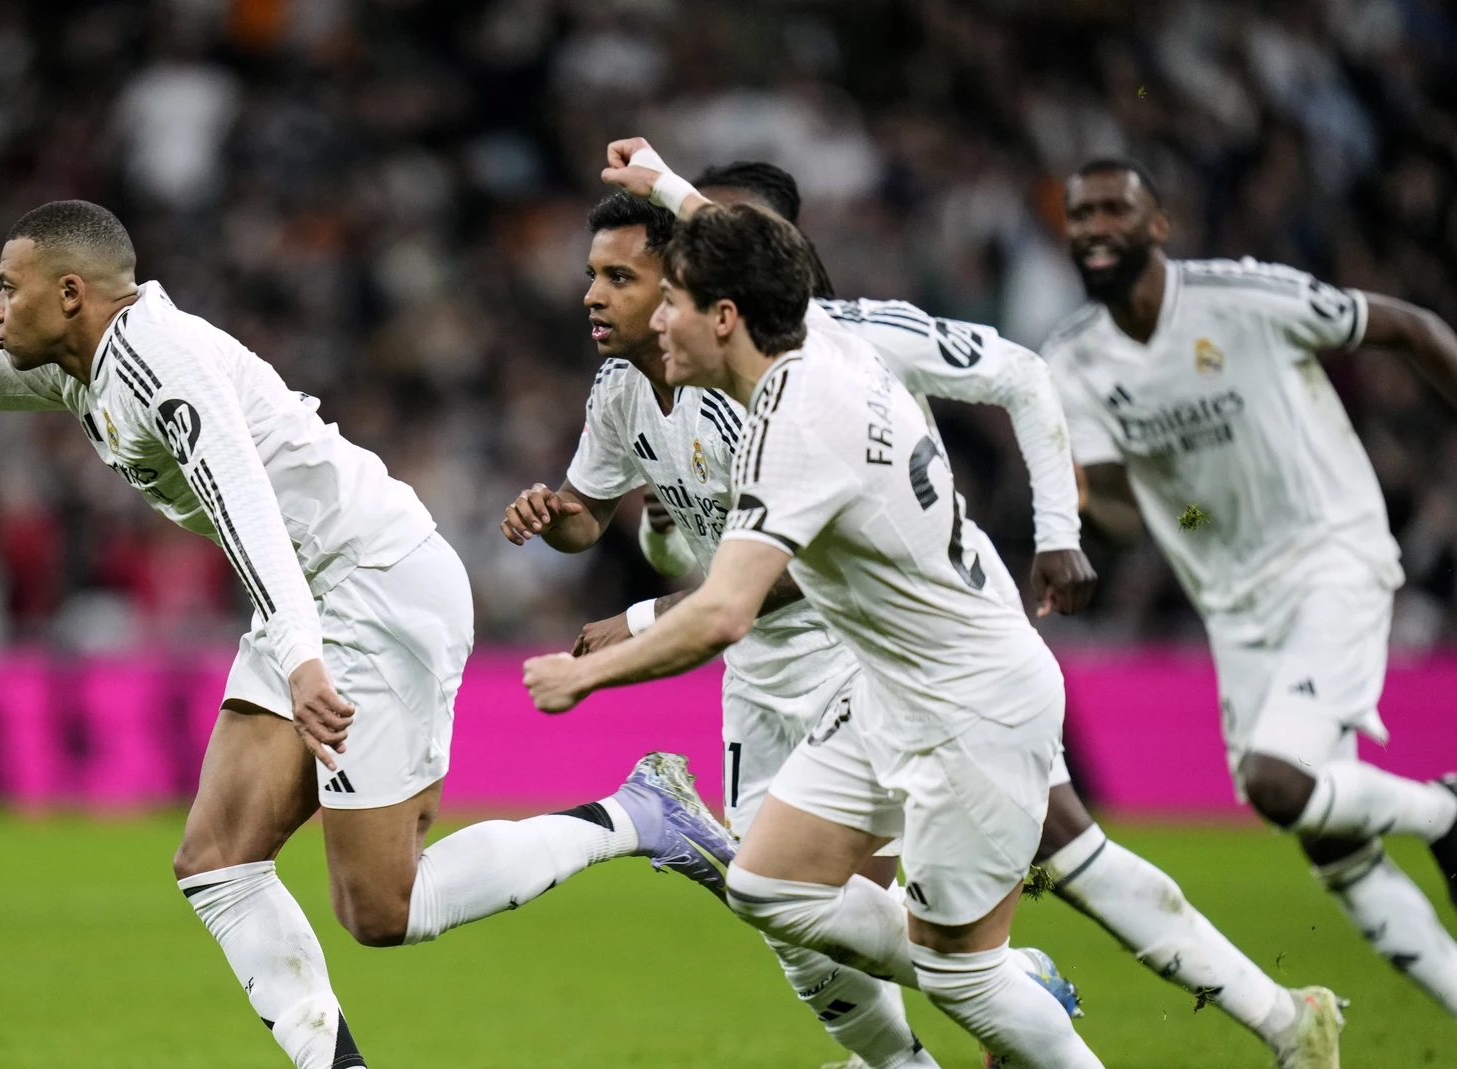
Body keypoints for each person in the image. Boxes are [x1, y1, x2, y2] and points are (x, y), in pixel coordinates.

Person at [0, 199, 736, 1069]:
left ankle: (633, 813)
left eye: (8, 289)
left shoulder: (161, 365)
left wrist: (298, 659)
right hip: (315, 600)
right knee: (214, 863)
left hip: (374, 588)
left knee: (380, 912)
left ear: (74, 294)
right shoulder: (79, 362)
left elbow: (245, 508)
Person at [679, 160, 1344, 1067]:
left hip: (946, 646)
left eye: (731, 231)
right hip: (855, 664)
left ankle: (1258, 1016)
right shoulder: (675, 372)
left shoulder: (855, 336)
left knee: (1064, 854)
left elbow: (1021, 373)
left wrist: (1059, 529)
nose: (708, 247)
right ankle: (972, 1018)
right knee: (804, 892)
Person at [524, 140, 1105, 1068]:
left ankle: (1013, 985)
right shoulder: (680, 381)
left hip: (894, 662)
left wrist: (615, 646)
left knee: (940, 933)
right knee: (775, 902)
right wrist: (560, 518)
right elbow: (602, 521)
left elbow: (743, 595)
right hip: (805, 672)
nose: (597, 296)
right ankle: (936, 1033)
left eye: (626, 279)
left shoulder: (802, 388)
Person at [1046, 158, 1457, 1018]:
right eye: (1079, 214)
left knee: (1280, 783)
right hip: (1232, 601)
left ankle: (1445, 812)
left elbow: (1413, 328)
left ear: (1158, 224)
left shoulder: (1246, 298)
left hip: (1330, 557)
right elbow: (1127, 513)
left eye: (1114, 208)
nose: (1092, 226)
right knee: (1329, 841)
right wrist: (1073, 509)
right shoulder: (1074, 360)